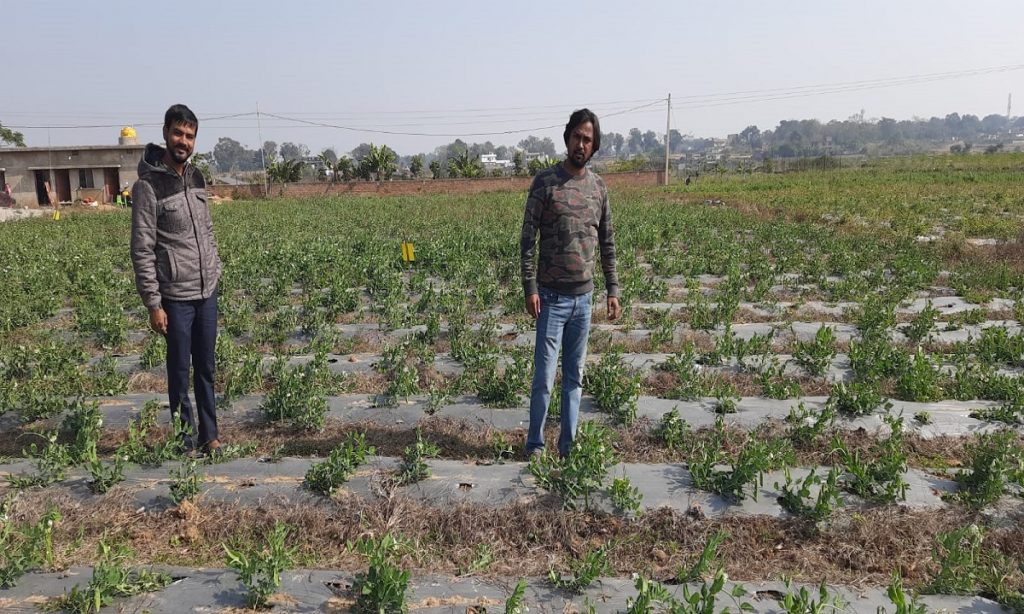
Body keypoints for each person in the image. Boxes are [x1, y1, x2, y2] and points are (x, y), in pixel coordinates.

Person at [520, 108, 621, 458]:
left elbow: (607, 242)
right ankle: (535, 444)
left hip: (583, 301)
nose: (581, 144)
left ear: (595, 146)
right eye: (577, 136)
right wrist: (530, 287)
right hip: (550, 298)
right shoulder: (545, 182)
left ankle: (568, 447)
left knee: (574, 378)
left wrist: (613, 289)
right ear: (567, 138)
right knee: (544, 378)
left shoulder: (598, 187)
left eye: (588, 139)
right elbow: (527, 239)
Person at [130, 104, 222, 454]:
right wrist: (153, 304)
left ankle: (210, 436)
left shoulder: (197, 178)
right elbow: (142, 249)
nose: (183, 141)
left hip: (206, 290)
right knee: (180, 371)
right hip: (175, 296)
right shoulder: (148, 186)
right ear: (166, 133)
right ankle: (184, 440)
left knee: (206, 368)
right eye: (178, 133)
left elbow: (207, 230)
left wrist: (215, 267)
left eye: (190, 136)